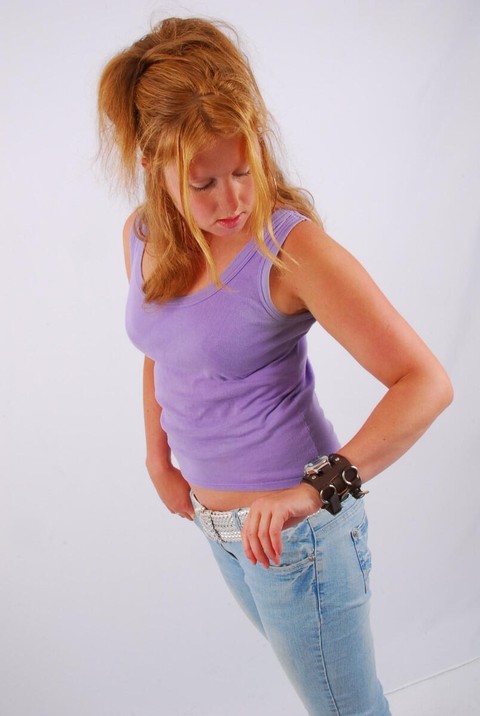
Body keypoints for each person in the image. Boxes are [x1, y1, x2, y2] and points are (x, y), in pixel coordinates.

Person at [97, 17, 453, 715]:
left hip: (300, 539)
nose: (232, 201)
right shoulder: (142, 236)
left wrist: (313, 491)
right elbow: (161, 347)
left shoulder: (289, 249)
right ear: (152, 166)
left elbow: (426, 384)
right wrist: (157, 458)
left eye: (243, 168)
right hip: (222, 531)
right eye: (203, 184)